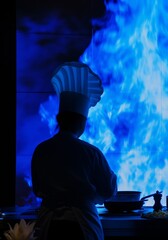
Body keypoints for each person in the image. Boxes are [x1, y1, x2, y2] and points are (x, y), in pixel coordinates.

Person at [31, 62, 118, 240]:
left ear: (59, 120)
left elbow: (38, 189)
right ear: (81, 122)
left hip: (48, 226)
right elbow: (109, 190)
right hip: (83, 225)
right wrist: (90, 197)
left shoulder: (41, 151)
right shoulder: (91, 153)